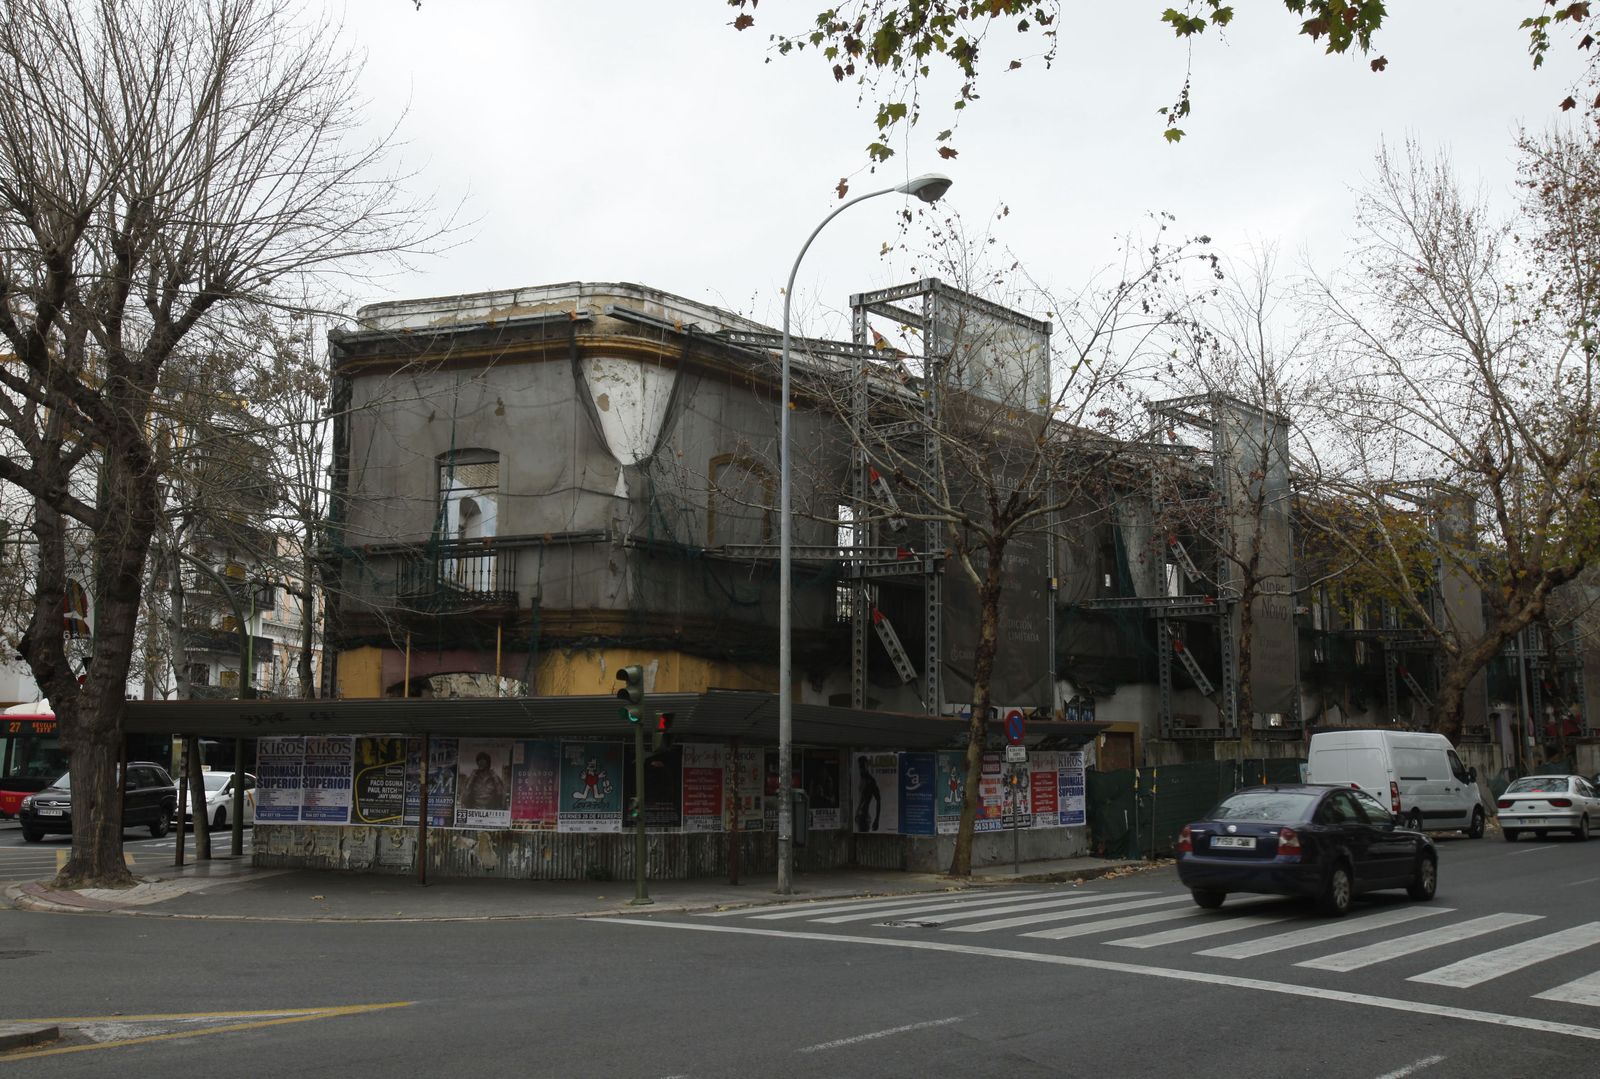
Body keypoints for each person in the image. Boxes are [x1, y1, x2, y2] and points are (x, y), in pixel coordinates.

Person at [855, 756, 881, 833]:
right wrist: (856, 813)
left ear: (867, 766)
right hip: (859, 816)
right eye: (860, 767)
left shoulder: (871, 781)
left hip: (864, 817)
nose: (861, 769)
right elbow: (861, 799)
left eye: (863, 766)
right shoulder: (862, 778)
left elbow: (878, 800)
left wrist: (877, 820)